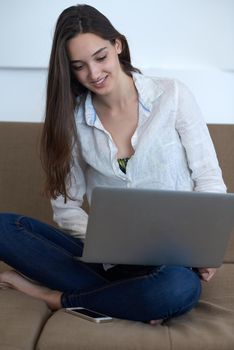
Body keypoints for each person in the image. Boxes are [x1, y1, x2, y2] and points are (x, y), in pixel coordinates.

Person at [0, 4, 226, 325]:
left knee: (176, 289)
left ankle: (56, 297)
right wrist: (105, 243)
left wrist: (204, 248)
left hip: (170, 263)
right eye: (79, 66)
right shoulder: (72, 119)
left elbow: (208, 179)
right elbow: (66, 206)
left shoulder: (172, 96)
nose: (93, 73)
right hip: (104, 259)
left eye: (100, 57)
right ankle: (129, 298)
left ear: (117, 45)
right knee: (5, 228)